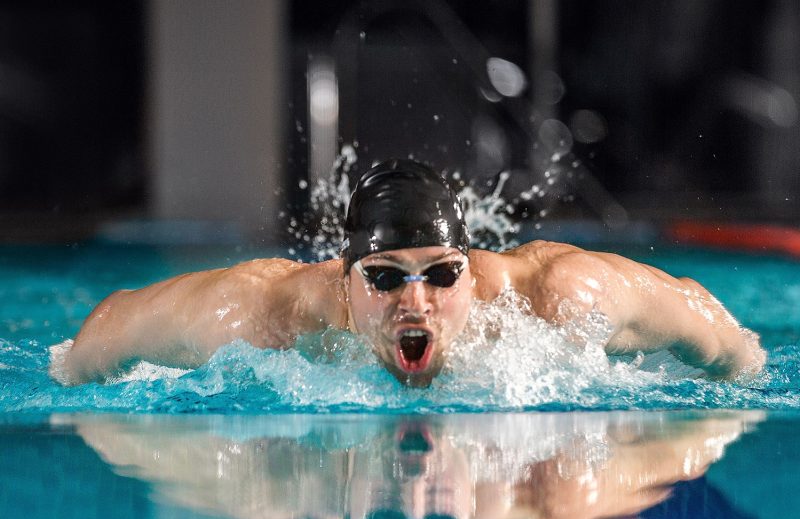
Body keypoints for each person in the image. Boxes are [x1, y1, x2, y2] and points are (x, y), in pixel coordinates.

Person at [58, 159, 765, 387]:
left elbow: (718, 332)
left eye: (440, 275)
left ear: (471, 270)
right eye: (386, 278)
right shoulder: (263, 315)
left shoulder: (554, 300)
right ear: (343, 279)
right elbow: (107, 328)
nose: (416, 302)